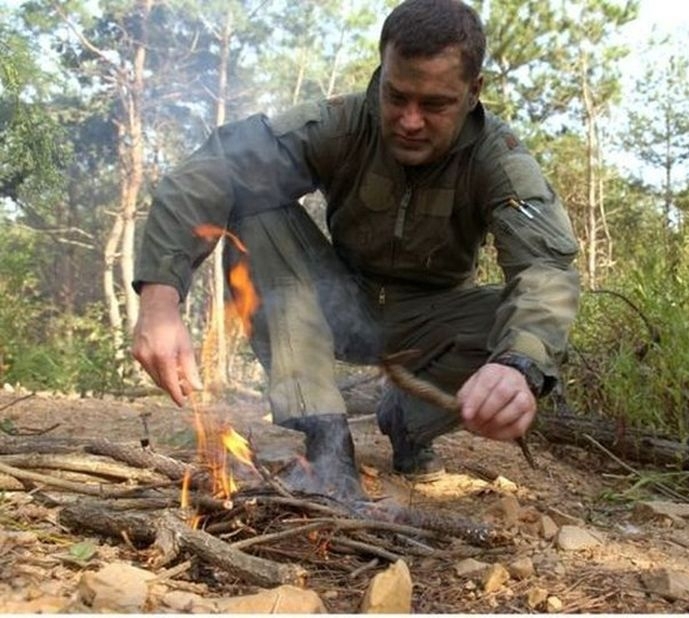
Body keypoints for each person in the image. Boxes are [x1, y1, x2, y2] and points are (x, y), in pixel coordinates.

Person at [132, 0, 580, 495]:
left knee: (534, 335)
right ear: (380, 73)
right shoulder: (341, 123)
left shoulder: (500, 159)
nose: (409, 121)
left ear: (474, 93)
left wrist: (517, 367)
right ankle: (325, 436)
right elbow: (217, 166)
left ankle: (408, 421)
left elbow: (545, 267)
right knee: (255, 207)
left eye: (434, 105)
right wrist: (159, 297)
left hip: (430, 325)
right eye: (396, 96)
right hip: (332, 304)